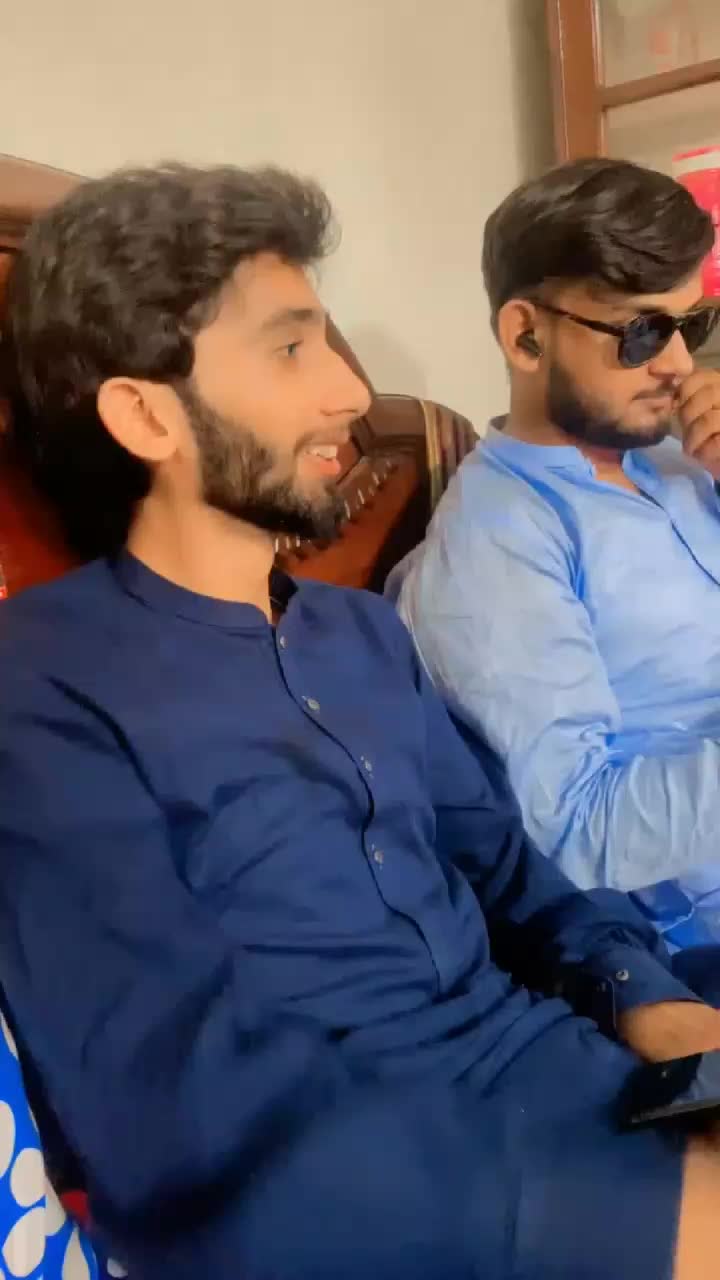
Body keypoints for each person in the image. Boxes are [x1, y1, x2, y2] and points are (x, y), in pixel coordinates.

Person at [1, 163, 720, 1280]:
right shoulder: (43, 679)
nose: (349, 391)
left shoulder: (362, 634)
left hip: (568, 1077)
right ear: (145, 414)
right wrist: (636, 1216)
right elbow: (178, 1095)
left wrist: (655, 1006)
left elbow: (513, 872)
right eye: (292, 349)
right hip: (368, 1187)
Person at [390, 157, 720, 950]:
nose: (680, 364)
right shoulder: (498, 542)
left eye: (693, 324)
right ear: (526, 335)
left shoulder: (683, 461)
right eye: (643, 333)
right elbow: (576, 832)